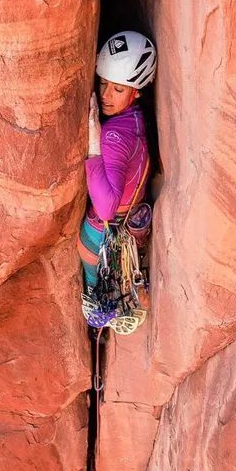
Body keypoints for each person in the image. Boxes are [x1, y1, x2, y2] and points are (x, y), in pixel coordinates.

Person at [77, 31, 156, 326]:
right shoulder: (135, 120)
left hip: (99, 234)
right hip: (124, 230)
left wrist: (95, 150)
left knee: (95, 289)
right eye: (104, 84)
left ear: (136, 91)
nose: (106, 96)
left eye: (118, 89)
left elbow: (107, 207)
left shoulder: (111, 135)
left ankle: (104, 310)